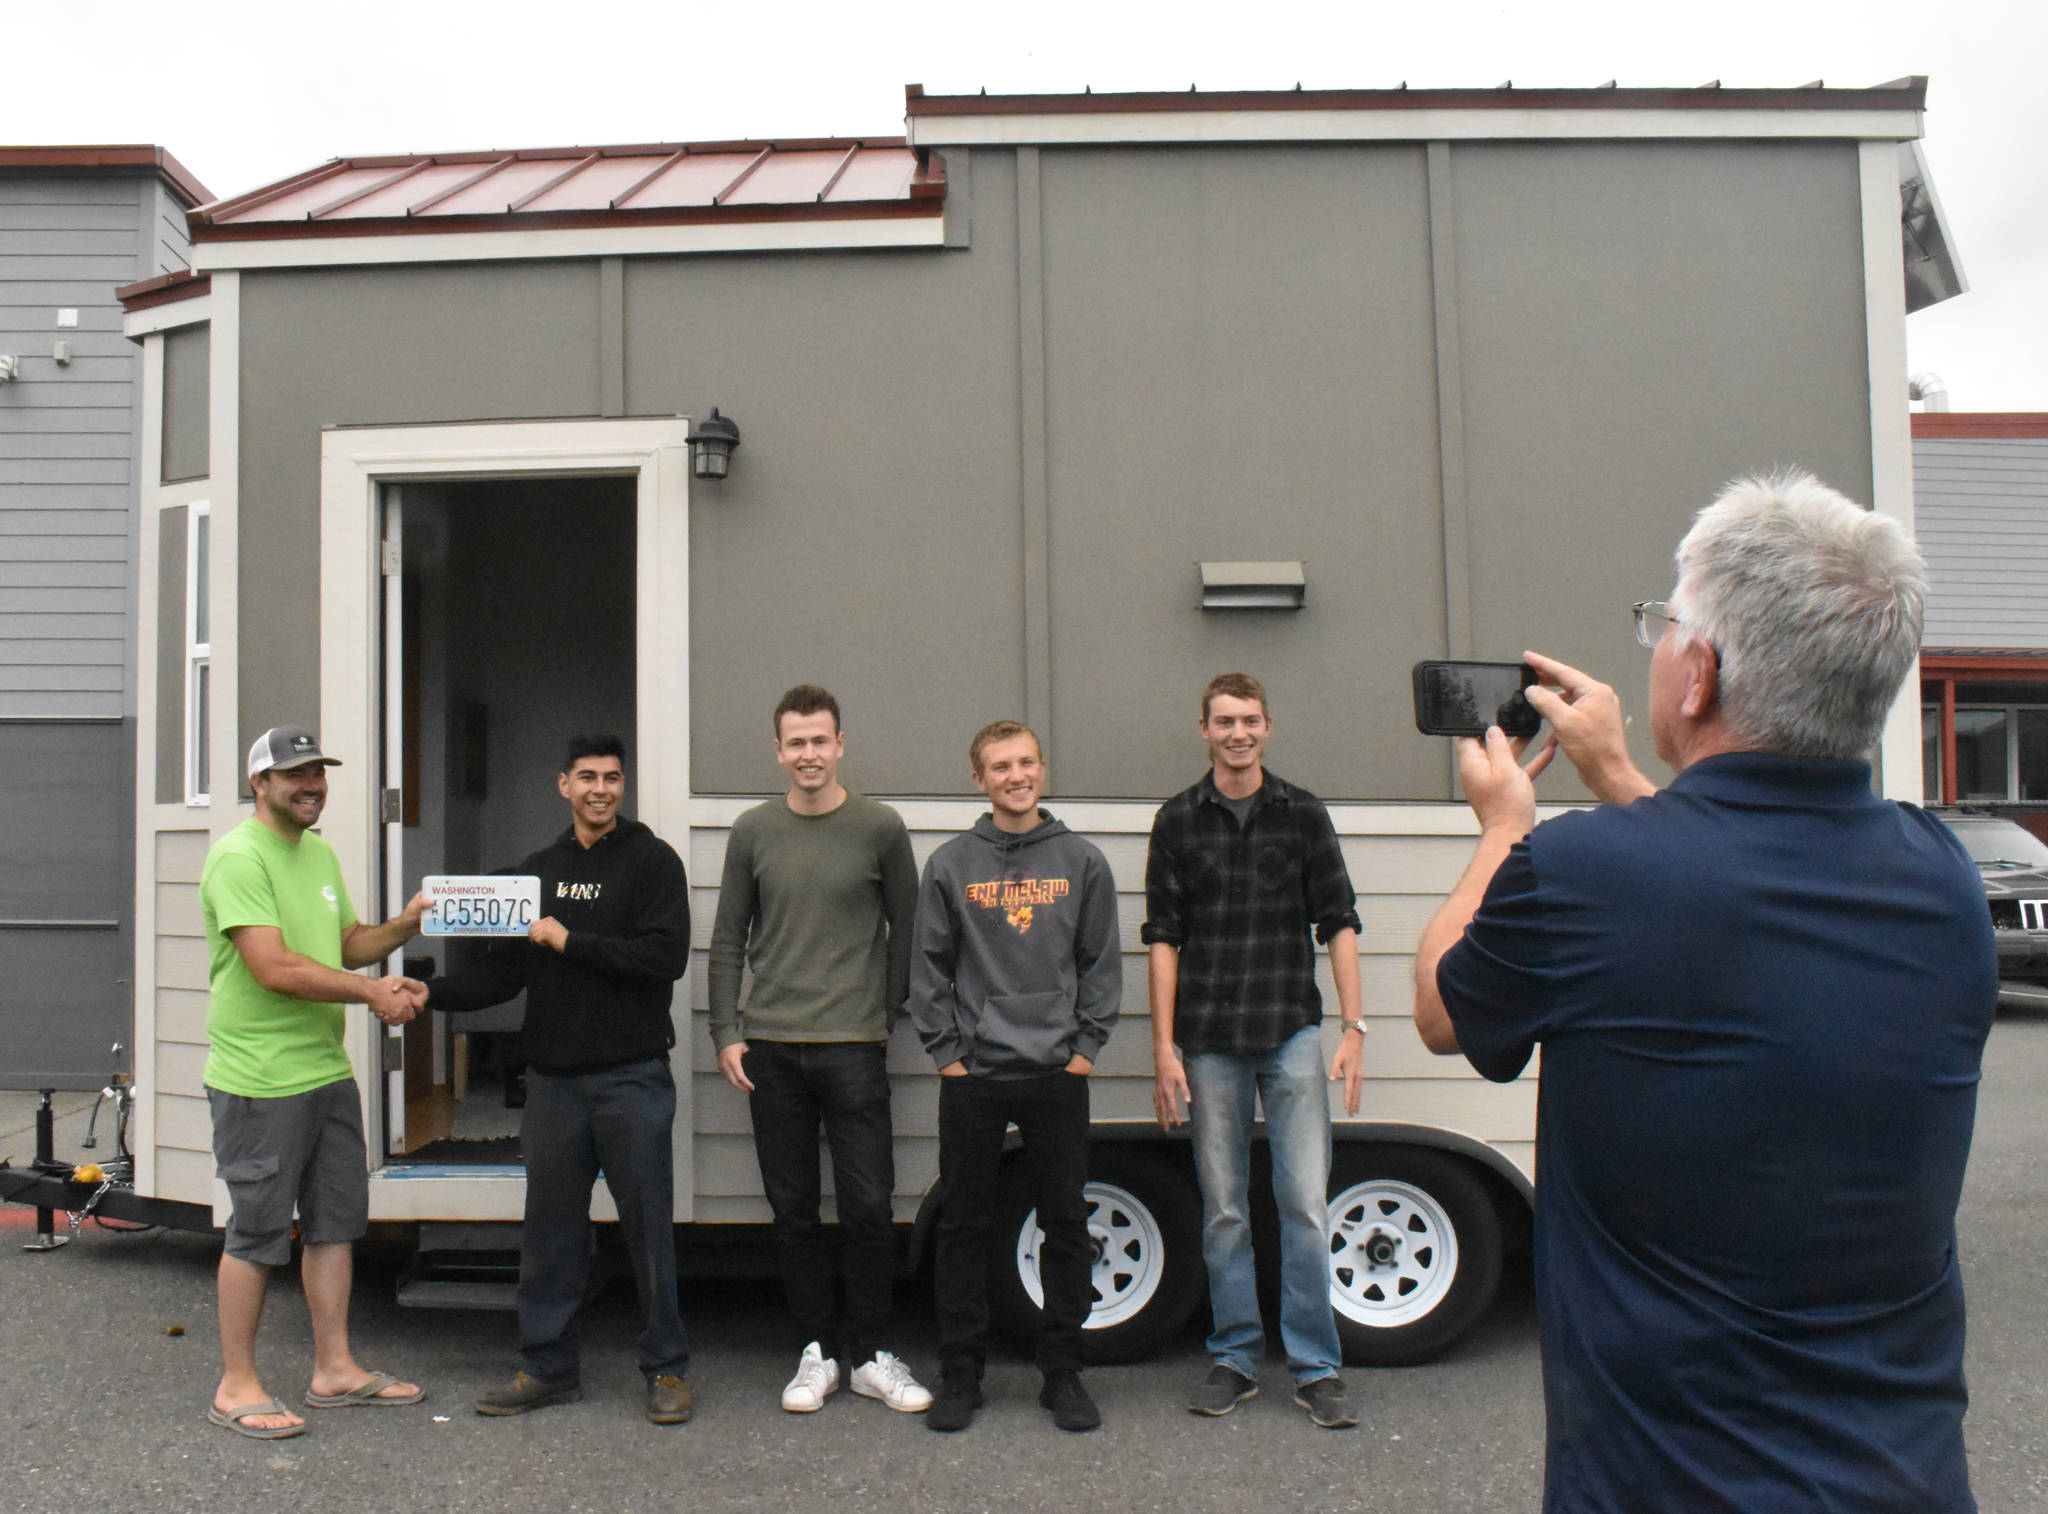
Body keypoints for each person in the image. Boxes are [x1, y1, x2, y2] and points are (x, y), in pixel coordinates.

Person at [1412, 472, 1997, 1513]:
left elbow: (1441, 1010)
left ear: (1698, 676)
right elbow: (1732, 889)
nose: (1657, 644)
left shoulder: (1584, 875)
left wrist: (1504, 828)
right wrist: (1621, 776)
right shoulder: (1941, 880)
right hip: (1901, 1481)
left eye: (1665, 625)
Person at [419, 734, 694, 1425]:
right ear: (563, 784)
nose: (601, 789)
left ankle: (666, 1369)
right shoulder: (536, 873)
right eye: (587, 777)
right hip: (553, 1085)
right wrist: (428, 994)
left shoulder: (653, 861)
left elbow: (664, 958)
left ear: (623, 785)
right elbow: (502, 976)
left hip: (633, 1078)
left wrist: (570, 941)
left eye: (612, 778)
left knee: (648, 1231)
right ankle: (548, 1367)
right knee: (550, 1234)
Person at [1145, 673, 1366, 1429]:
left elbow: (1338, 921)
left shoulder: (1303, 813)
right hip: (1208, 1039)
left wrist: (1355, 1027)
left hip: (1290, 1029)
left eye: (1248, 720)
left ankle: (1315, 1367)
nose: (1237, 733)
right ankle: (1235, 1357)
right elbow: (1163, 939)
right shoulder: (1177, 820)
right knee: (1224, 1209)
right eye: (1224, 722)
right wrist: (1163, 1048)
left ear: (1267, 726)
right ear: (1203, 729)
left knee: (1304, 1203)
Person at [199, 724, 428, 1439]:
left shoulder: (318, 852)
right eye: (296, 774)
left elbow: (345, 944)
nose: (312, 785)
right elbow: (273, 966)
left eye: (319, 773)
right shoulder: (239, 857)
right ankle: (236, 1385)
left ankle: (335, 1368)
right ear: (259, 783)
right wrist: (371, 996)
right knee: (256, 1232)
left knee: (333, 1226)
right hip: (260, 1079)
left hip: (325, 1071)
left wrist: (403, 927)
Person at [707, 685, 929, 1415]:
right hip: (770, 1048)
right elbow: (727, 936)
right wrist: (726, 1031)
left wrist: (885, 1012)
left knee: (868, 1208)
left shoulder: (879, 828)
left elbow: (908, 928)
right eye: (796, 742)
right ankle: (816, 1353)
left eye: (820, 740)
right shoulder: (753, 831)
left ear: (840, 745)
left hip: (855, 1047)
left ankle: (869, 1354)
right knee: (794, 1210)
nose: (809, 754)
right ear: (779, 751)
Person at [909, 720, 1122, 1433]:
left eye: (1026, 762)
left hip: (1057, 1071)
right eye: (1000, 766)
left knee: (1065, 1222)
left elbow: (1101, 961)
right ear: (979, 779)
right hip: (974, 1075)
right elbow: (928, 968)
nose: (1016, 775)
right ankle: (961, 1374)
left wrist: (1085, 1049)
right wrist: (949, 1056)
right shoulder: (950, 865)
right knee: (963, 1226)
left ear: (1042, 768)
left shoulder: (1082, 861)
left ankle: (1063, 1372)